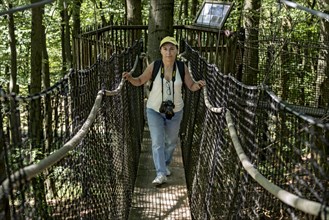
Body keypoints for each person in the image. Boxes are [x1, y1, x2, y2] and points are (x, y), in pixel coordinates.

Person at [122, 36, 206, 186]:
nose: (168, 52)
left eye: (172, 49)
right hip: (154, 109)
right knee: (157, 142)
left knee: (171, 142)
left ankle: (165, 164)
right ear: (160, 51)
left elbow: (191, 86)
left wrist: (198, 85)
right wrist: (130, 78)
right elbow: (140, 81)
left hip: (176, 111)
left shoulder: (181, 67)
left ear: (176, 51)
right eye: (165, 49)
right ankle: (160, 173)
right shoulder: (154, 66)